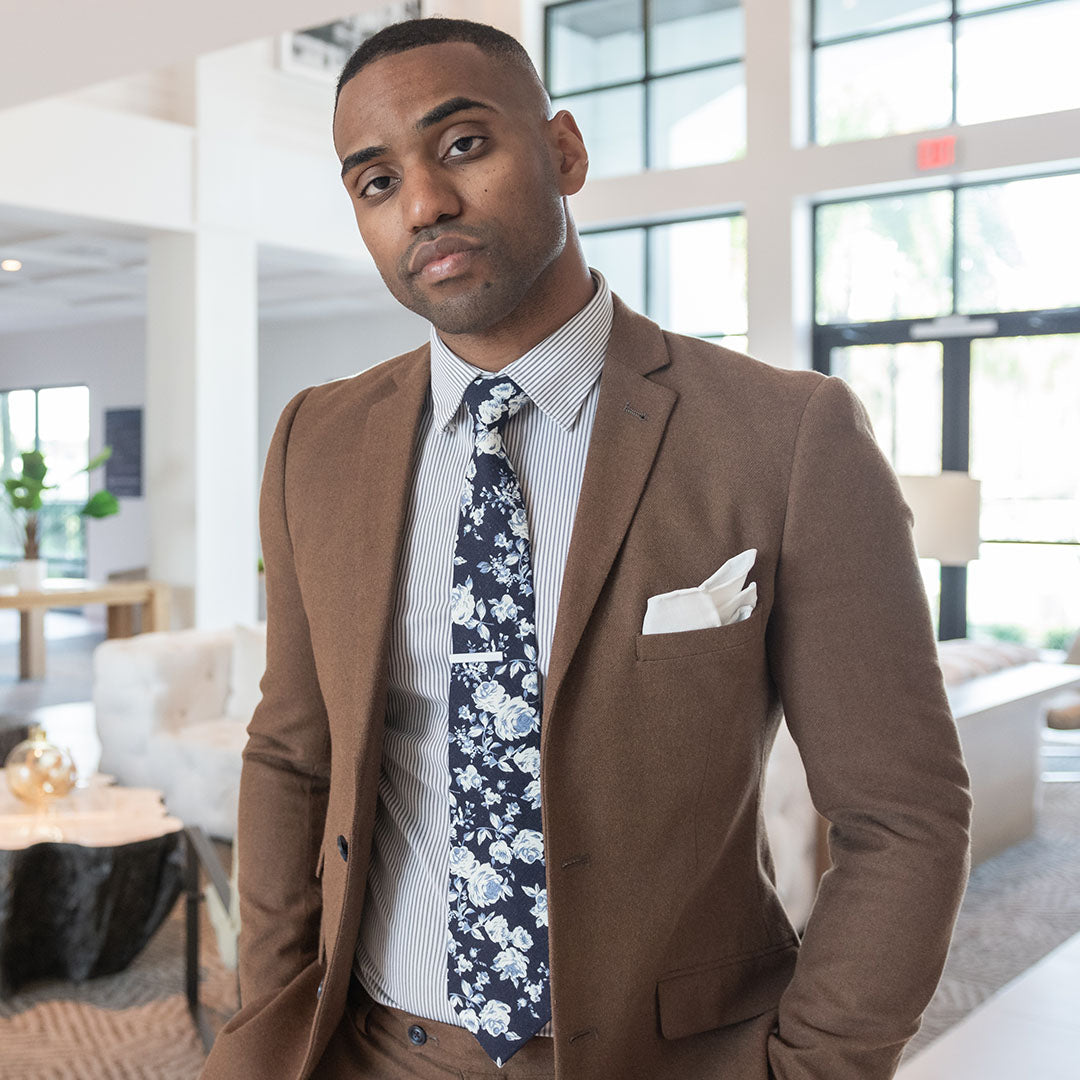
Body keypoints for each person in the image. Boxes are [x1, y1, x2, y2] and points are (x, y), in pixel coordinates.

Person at [200, 16, 972, 1080]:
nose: (423, 203)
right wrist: (271, 1017)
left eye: (463, 145)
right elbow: (292, 755)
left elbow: (905, 816)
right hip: (377, 1047)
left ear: (563, 151)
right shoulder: (316, 443)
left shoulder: (787, 437)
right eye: (375, 183)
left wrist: (817, 1067)